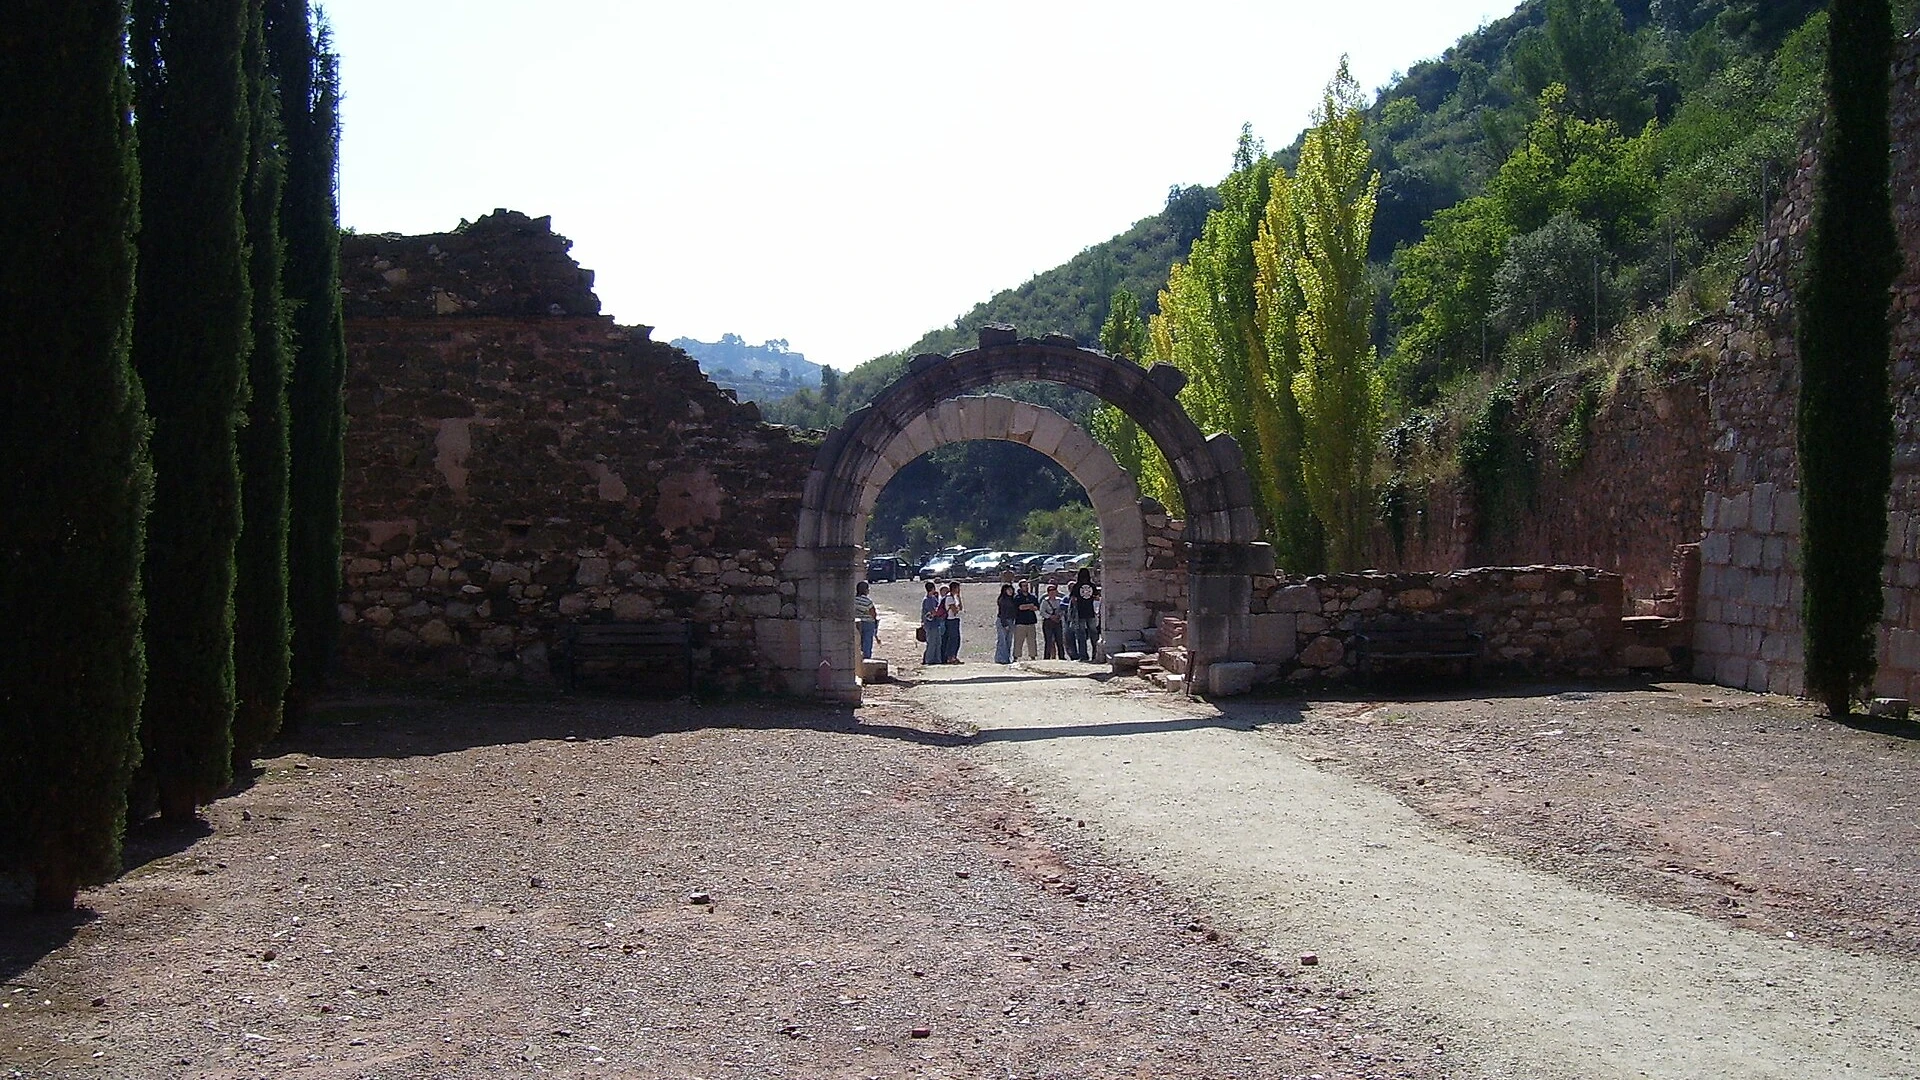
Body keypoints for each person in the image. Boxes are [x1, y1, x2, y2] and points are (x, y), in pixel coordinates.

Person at [1070, 568, 1099, 662]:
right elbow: (1097, 597)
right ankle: (1096, 654)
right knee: (1094, 634)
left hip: (1080, 612)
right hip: (1090, 611)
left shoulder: (1076, 586)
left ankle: (1083, 655)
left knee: (1081, 635)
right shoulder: (1092, 585)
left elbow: (1073, 599)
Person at [1012, 580, 1040, 660]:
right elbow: (1019, 607)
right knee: (1018, 641)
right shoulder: (1017, 597)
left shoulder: (1032, 597)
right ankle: (1016, 657)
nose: (1026, 587)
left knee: (1032, 641)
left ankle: (1033, 656)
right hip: (1020, 622)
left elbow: (1036, 607)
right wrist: (1029, 606)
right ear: (1020, 587)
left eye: (1027, 585)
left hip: (1031, 621)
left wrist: (1027, 607)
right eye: (1024, 586)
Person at [921, 581, 947, 665]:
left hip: (936, 623)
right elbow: (931, 612)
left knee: (938, 642)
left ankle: (937, 659)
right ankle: (929, 660)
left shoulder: (933, 598)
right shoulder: (927, 600)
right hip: (930, 625)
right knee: (931, 643)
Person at [1039, 582, 1066, 659]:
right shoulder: (1045, 601)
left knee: (1059, 640)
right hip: (1048, 622)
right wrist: (1050, 617)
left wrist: (1059, 616)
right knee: (1048, 641)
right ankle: (1047, 657)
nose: (1052, 592)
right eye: (1050, 591)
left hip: (1057, 622)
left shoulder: (1060, 600)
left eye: (1054, 590)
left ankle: (1062, 657)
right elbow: (1042, 612)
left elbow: (1063, 610)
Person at [994, 583, 1018, 665]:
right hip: (1003, 621)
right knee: (1002, 641)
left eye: (1011, 589)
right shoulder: (1003, 600)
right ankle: (1000, 658)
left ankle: (1006, 658)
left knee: (1009, 641)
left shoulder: (1012, 599)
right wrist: (1004, 624)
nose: (1010, 591)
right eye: (1008, 590)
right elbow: (1002, 613)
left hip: (1011, 621)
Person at [854, 581, 879, 660]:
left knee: (857, 641)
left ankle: (857, 656)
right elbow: (873, 613)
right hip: (868, 623)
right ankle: (866, 657)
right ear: (865, 590)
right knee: (867, 641)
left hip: (856, 623)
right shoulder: (867, 601)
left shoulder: (853, 600)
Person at [943, 581, 964, 663]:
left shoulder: (954, 597)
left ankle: (954, 656)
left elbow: (960, 608)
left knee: (957, 639)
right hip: (950, 620)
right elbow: (954, 610)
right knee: (953, 639)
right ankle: (950, 657)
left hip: (955, 619)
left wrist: (959, 597)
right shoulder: (949, 598)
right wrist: (957, 608)